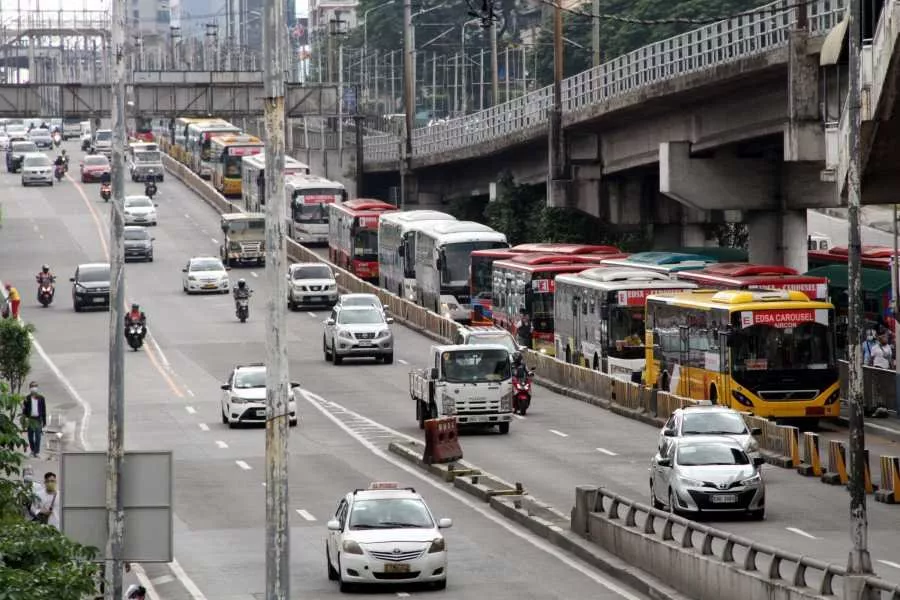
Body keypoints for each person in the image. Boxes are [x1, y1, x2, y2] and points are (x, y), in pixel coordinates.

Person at [22, 381, 47, 457]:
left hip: (38, 419)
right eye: (32, 386)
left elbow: (43, 410)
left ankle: (36, 452)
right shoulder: (27, 398)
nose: (34, 388)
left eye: (35, 386)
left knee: (38, 436)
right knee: (30, 436)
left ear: (37, 388)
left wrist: (44, 422)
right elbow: (24, 410)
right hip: (30, 419)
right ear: (30, 388)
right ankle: (32, 450)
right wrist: (24, 420)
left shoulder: (41, 398)